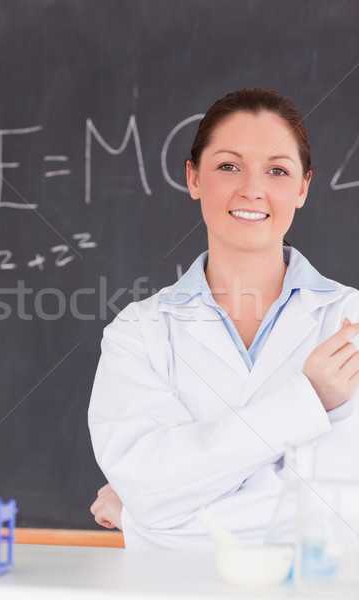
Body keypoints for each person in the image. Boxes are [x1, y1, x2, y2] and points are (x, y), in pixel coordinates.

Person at [88, 87, 359, 550]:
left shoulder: (349, 321)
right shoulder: (137, 332)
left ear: (302, 188)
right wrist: (306, 400)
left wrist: (143, 518)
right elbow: (148, 487)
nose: (252, 189)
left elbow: (338, 511)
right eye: (228, 166)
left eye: (277, 170)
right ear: (194, 178)